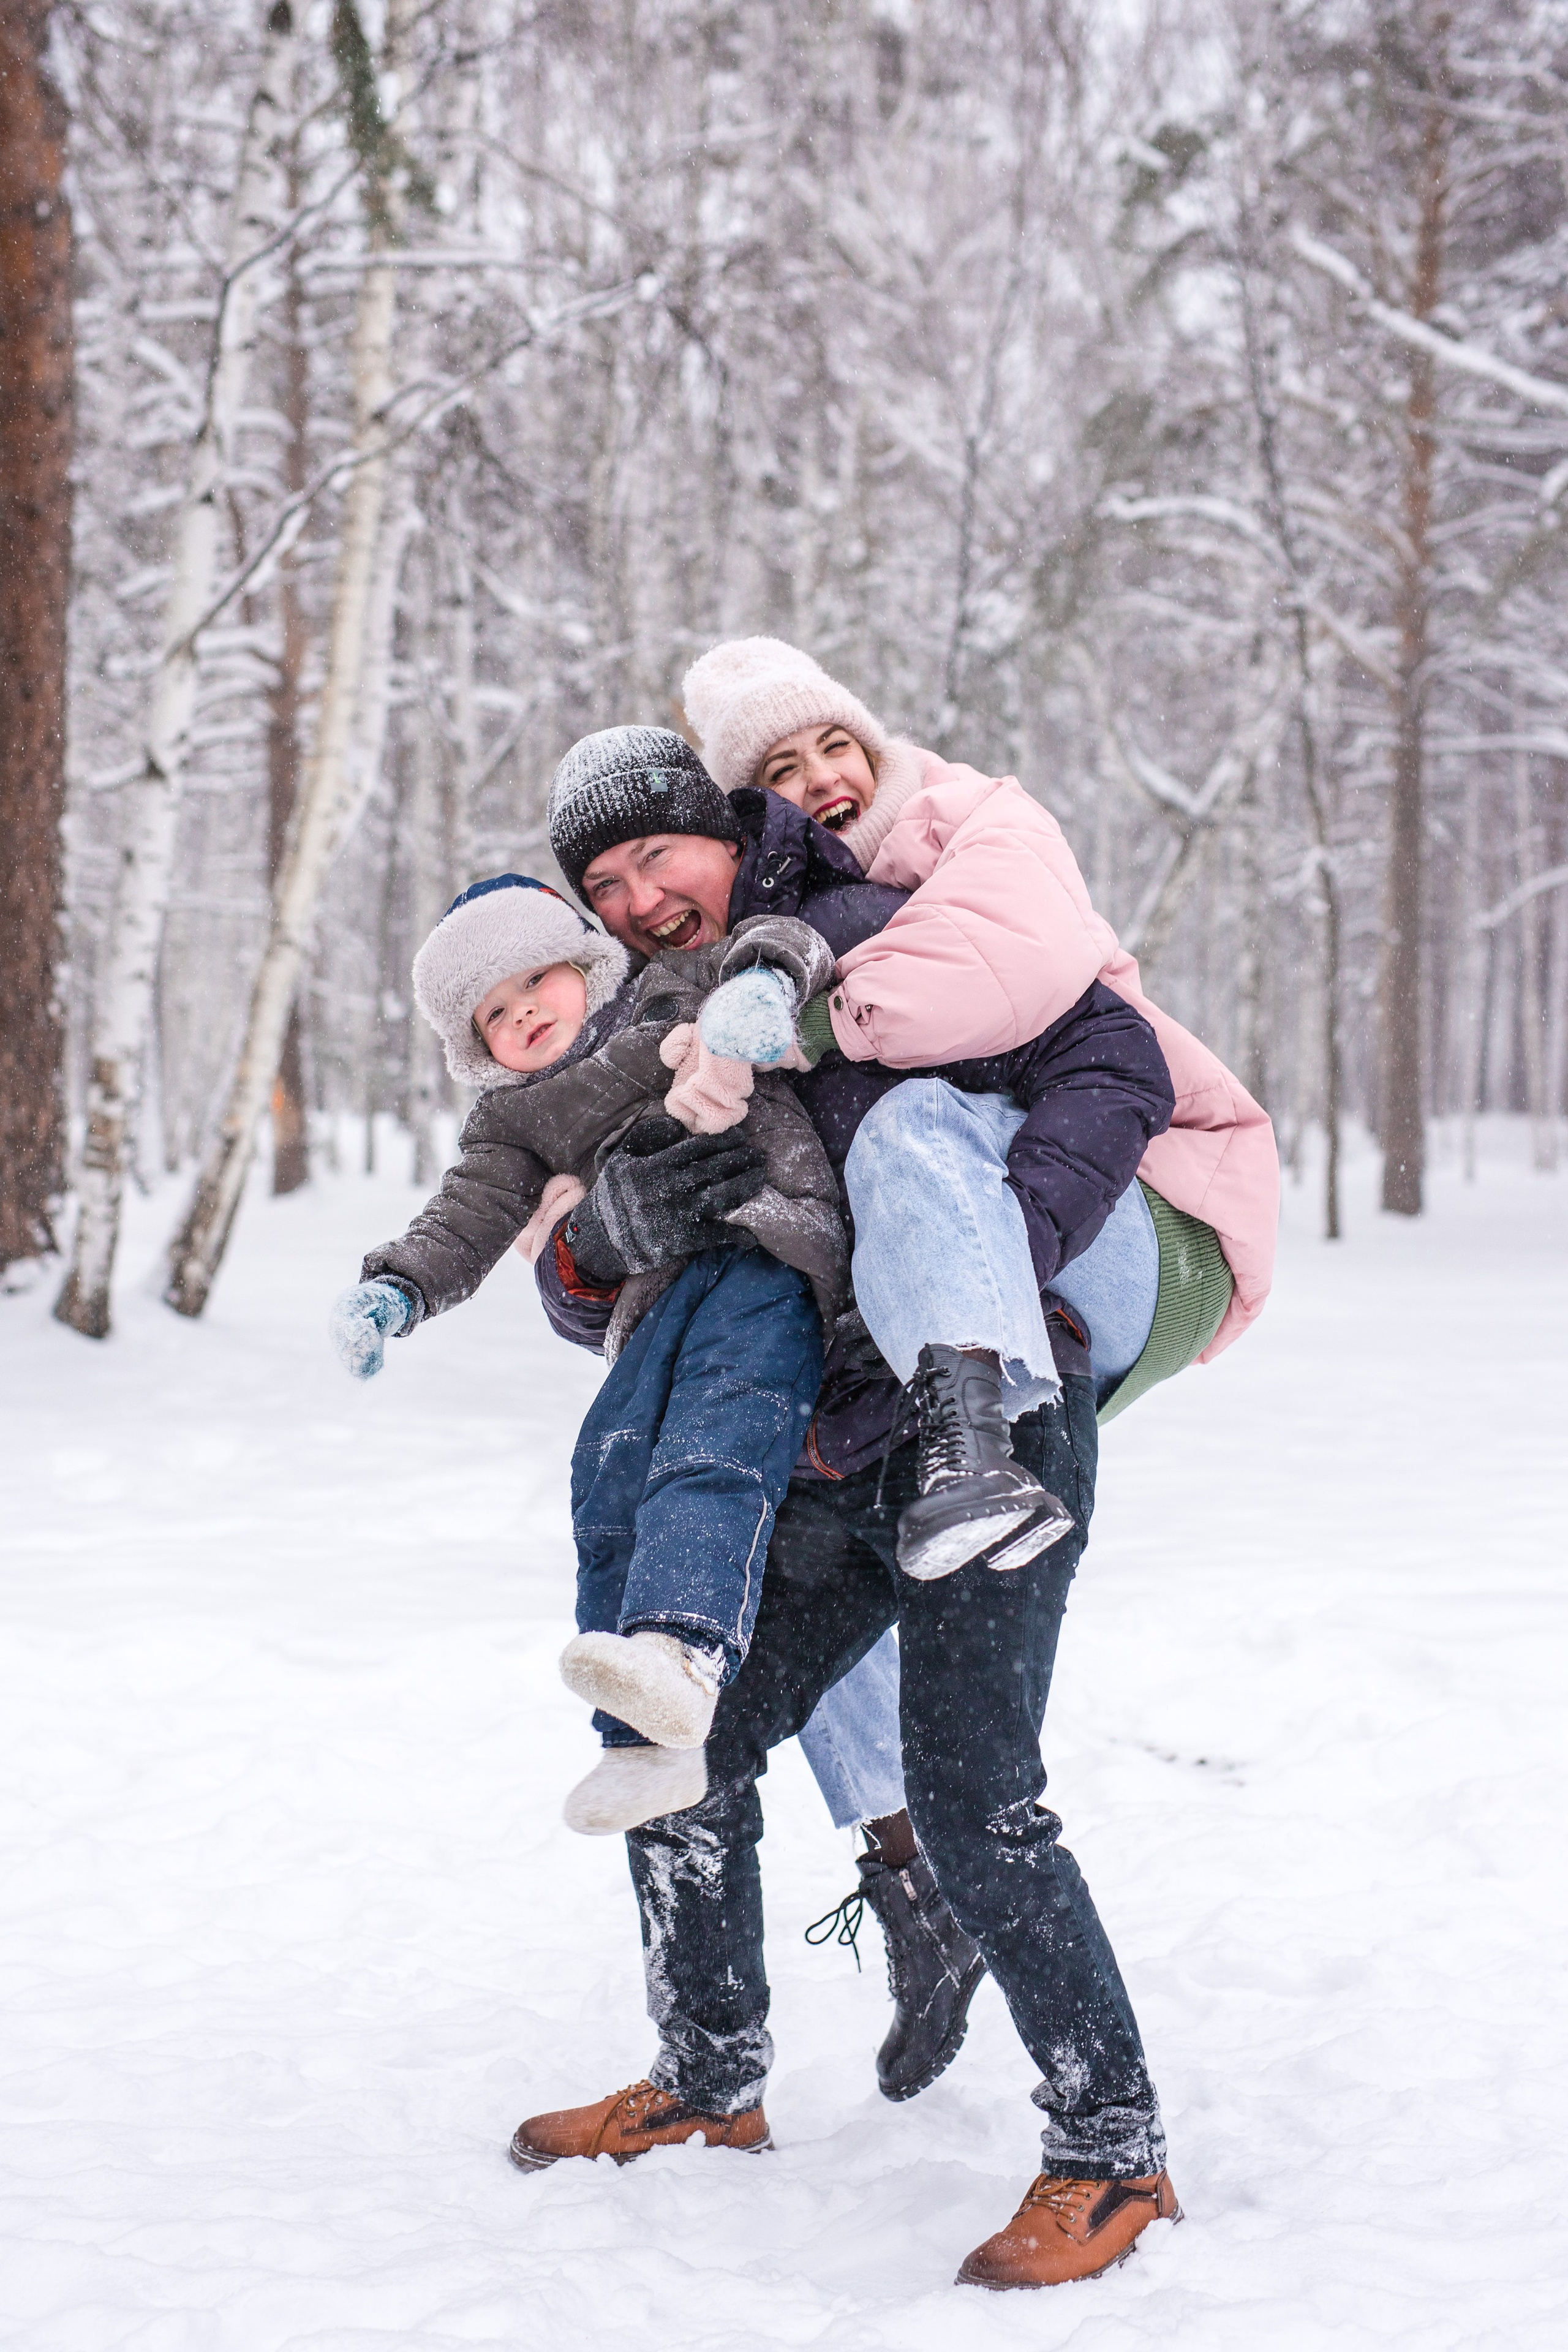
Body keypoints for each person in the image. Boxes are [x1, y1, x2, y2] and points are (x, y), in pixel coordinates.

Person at [509, 726, 1195, 2289]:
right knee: (680, 1740)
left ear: (722, 832)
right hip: (833, 1450)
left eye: (658, 858)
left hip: (991, 1411)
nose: (640, 898)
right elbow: (578, 1290)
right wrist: (602, 1238)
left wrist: (991, 1256)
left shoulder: (873, 929)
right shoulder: (640, 1036)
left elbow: (1113, 1059)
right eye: (604, 885)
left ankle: (1111, 2149)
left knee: (971, 1790)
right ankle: (709, 2077)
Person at [326, 869, 848, 1834]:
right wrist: (398, 1286)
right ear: (472, 1044)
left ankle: (687, 1649)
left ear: (584, 965)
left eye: (536, 984)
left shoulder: (668, 995)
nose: (523, 1013)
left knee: (716, 1445)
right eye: (493, 1012)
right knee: (607, 1481)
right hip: (651, 1308)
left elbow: (778, 937)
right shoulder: (511, 1122)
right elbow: (468, 1218)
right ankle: (643, 1746)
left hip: (764, 1248)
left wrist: (761, 988)